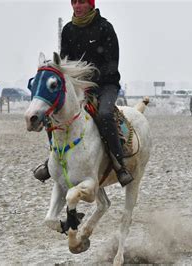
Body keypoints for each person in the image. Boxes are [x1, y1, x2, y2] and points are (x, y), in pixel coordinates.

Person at [33, 0, 133, 187]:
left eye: (81, 2)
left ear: (90, 4)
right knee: (52, 114)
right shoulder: (68, 30)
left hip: (105, 85)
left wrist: (91, 82)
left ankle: (119, 164)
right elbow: (65, 62)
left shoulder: (105, 28)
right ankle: (51, 161)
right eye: (74, 2)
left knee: (104, 114)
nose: (77, 6)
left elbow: (112, 63)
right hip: (77, 87)